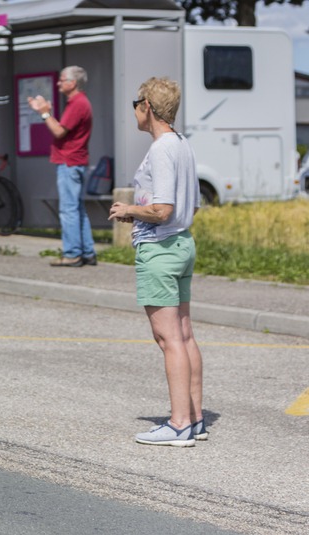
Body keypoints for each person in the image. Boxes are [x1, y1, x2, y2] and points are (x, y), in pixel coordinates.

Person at [108, 77, 204, 447]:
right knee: (184, 335)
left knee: (168, 339)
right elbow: (189, 205)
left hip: (161, 249)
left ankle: (178, 424)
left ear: (147, 106)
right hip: (182, 243)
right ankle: (194, 418)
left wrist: (129, 209)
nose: (133, 108)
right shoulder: (182, 145)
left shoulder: (162, 148)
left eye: (136, 102)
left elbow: (162, 210)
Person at [27, 65, 97, 267]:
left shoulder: (77, 103)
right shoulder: (80, 102)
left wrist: (44, 113)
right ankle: (87, 252)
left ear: (72, 83)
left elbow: (58, 131)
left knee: (68, 210)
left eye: (62, 79)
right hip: (77, 161)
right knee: (77, 209)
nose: (58, 83)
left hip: (69, 162)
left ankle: (72, 253)